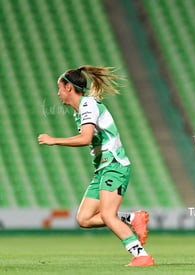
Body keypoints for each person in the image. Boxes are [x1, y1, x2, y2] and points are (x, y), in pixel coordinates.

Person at [38, 65, 154, 267]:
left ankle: (141, 255)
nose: (58, 93)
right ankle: (132, 217)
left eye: (59, 88)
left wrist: (54, 140)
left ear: (68, 88)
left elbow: (85, 138)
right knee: (84, 218)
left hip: (115, 165)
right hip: (103, 169)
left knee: (108, 215)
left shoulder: (87, 105)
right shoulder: (81, 110)